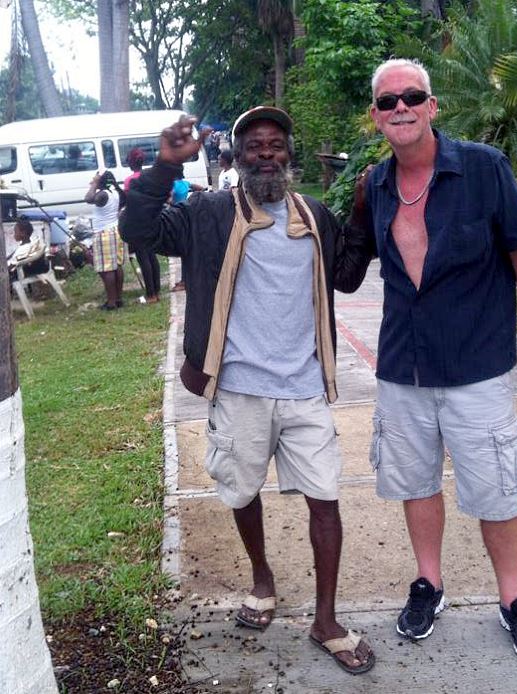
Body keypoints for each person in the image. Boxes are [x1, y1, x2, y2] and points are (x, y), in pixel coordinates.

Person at [120, 107, 375, 675]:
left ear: (289, 154)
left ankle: (326, 619)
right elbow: (138, 231)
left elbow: (349, 275)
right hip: (237, 388)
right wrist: (164, 165)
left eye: (275, 143)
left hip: (305, 386)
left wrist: (361, 210)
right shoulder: (208, 213)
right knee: (240, 491)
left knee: (325, 498)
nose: (266, 152)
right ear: (237, 157)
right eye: (254, 144)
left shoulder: (314, 216)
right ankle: (263, 580)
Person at [355, 58, 517, 662]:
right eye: (388, 102)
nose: (401, 108)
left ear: (432, 105)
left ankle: (513, 598)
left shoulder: (484, 170)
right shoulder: (375, 186)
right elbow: (344, 261)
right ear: (376, 116)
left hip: (476, 365)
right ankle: (429, 584)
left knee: (497, 488)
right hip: (404, 367)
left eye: (411, 96)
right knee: (415, 485)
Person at [124, 148, 161, 304]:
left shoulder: (129, 181)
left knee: (142, 256)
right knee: (152, 254)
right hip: (153, 219)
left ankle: (151, 294)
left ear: (131, 163)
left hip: (137, 221)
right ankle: (157, 290)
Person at [85, 170, 125, 310]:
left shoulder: (102, 194)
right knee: (116, 266)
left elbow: (88, 198)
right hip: (114, 231)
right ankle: (118, 298)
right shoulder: (114, 193)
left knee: (107, 269)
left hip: (104, 234)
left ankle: (111, 302)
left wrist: (94, 184)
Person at [7, 216, 48, 282]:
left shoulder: (23, 249)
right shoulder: (31, 244)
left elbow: (10, 267)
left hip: (20, 273)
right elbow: (11, 256)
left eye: (15, 232)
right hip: (32, 270)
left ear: (23, 233)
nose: (14, 235)